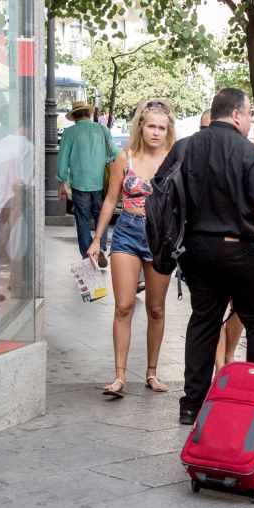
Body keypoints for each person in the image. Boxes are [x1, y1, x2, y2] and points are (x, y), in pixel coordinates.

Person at [169, 89, 254, 426]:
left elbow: (161, 194)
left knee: (203, 322)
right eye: (250, 114)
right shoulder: (248, 152)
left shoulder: (185, 147)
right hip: (238, 248)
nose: (251, 121)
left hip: (196, 250)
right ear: (236, 114)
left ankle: (192, 404)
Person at [88, 100, 176, 398]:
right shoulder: (124, 158)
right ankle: (119, 376)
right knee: (123, 305)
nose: (156, 132)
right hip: (127, 231)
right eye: (151, 125)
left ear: (168, 130)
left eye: (162, 127)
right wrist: (97, 238)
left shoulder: (174, 160)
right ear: (141, 126)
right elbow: (111, 200)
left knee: (156, 308)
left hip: (160, 236)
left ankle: (152, 373)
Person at [193, 109, 247, 373]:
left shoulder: (241, 156)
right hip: (205, 248)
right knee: (213, 308)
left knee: (240, 308)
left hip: (240, 244)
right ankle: (220, 367)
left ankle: (228, 356)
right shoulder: (194, 161)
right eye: (204, 130)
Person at [58, 101, 118, 260]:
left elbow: (63, 159)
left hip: (79, 183)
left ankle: (87, 254)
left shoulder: (69, 132)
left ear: (75, 117)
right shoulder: (102, 129)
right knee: (102, 217)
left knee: (82, 220)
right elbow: (115, 153)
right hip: (100, 183)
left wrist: (61, 181)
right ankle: (101, 249)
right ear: (89, 114)